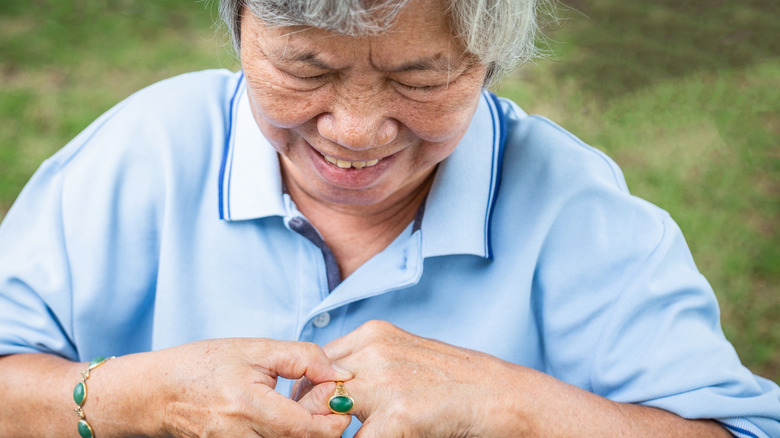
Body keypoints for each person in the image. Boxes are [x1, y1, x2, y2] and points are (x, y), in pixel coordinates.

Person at [0, 0, 778, 436]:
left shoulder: (574, 209)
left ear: (487, 64)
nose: (355, 131)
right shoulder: (144, 151)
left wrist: (514, 407)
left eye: (421, 78)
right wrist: (132, 398)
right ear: (239, 27)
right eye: (306, 70)